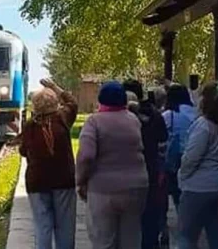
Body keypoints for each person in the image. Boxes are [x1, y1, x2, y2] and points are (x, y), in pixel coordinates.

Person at [77, 81, 148, 249]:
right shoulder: (134, 120)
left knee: (104, 240)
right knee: (131, 239)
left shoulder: (94, 121)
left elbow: (86, 156)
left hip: (104, 189)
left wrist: (80, 180)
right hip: (136, 187)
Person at [178, 81, 218, 249]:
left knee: (187, 236)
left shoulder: (203, 126)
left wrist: (182, 177)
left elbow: (191, 158)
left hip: (201, 186)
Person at [19, 78, 79, 249]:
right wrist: (53, 86)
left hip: (37, 182)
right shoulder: (62, 118)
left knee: (42, 226)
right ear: (54, 103)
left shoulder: (30, 126)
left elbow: (23, 151)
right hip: (63, 181)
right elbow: (72, 102)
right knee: (65, 227)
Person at [124, 79, 169, 249]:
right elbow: (164, 142)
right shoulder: (155, 114)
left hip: (125, 174)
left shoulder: (118, 118)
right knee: (150, 216)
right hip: (150, 170)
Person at [163, 83, 197, 209]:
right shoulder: (195, 113)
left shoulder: (168, 115)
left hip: (175, 156)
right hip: (193, 154)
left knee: (175, 188)